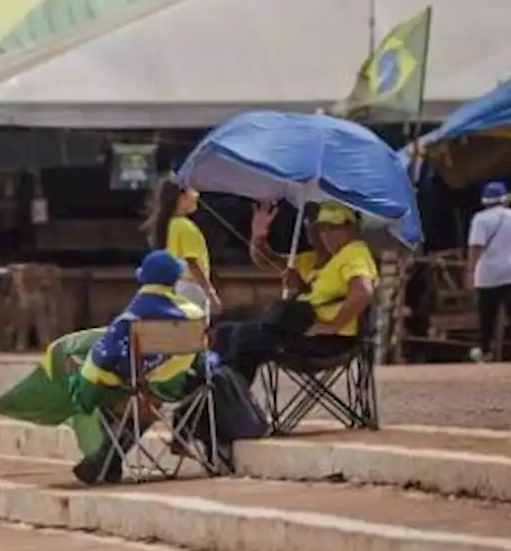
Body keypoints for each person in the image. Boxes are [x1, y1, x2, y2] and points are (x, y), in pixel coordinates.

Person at [64, 250, 207, 484]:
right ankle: (108, 463)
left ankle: (103, 461)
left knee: (99, 386)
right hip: (168, 390)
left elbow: (108, 359)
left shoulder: (129, 319)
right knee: (140, 401)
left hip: (127, 390)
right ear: (174, 281)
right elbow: (201, 356)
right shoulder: (193, 315)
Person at [213, 203, 375, 384]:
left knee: (247, 337)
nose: (325, 234)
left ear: (351, 228)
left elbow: (363, 291)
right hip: (302, 331)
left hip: (327, 341)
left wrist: (333, 325)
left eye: (333, 227)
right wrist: (259, 236)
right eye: (321, 228)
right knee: (225, 332)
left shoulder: (354, 252)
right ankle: (218, 389)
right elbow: (268, 260)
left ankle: (232, 394)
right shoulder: (314, 260)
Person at [467, 181, 511, 363]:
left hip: (489, 274)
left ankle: (485, 351)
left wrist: (470, 271)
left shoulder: (480, 219)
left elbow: (475, 248)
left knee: (487, 315)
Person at [142, 176, 221, 315]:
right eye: (193, 191)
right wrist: (210, 291)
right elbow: (192, 262)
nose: (197, 195)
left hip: (175, 287)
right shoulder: (186, 227)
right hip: (191, 287)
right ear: (181, 196)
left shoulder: (169, 225)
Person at [248, 202, 330, 294]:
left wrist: (300, 287)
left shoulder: (345, 258)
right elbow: (266, 261)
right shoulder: (307, 260)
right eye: (307, 222)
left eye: (316, 223)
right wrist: (258, 237)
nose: (311, 228)